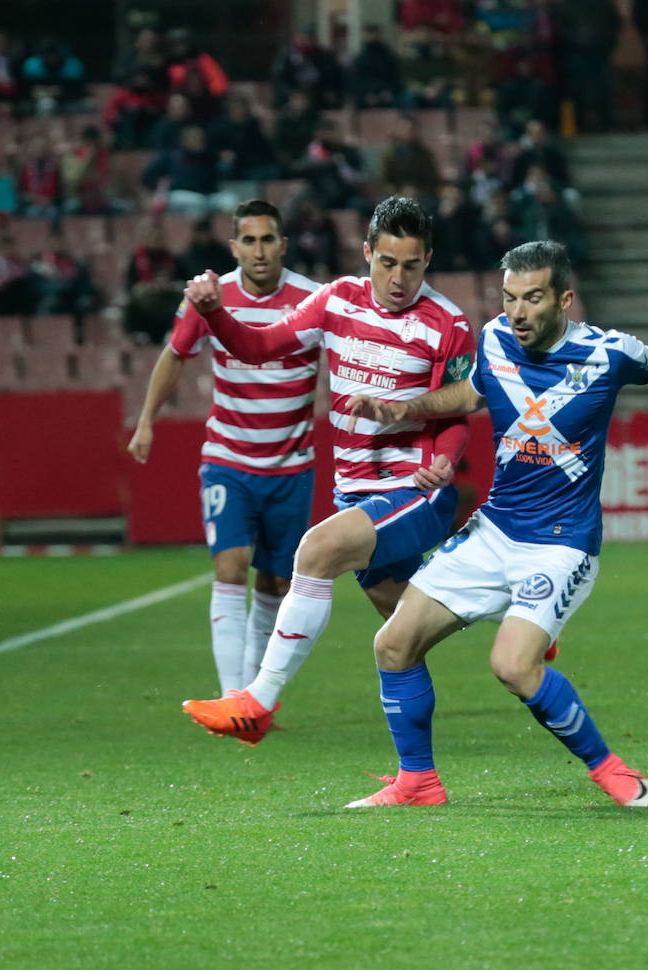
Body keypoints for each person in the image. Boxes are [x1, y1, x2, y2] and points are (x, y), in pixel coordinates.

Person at [331, 240, 648, 808]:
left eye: (531, 299)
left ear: (564, 299)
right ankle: (418, 783)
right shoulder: (495, 337)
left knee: (512, 665)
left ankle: (610, 771)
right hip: (495, 530)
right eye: (509, 298)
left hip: (560, 544)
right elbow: (473, 390)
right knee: (394, 643)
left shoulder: (608, 353)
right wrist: (406, 408)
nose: (517, 312)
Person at [177, 197, 476, 745]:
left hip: (415, 491)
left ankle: (256, 702)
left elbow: (456, 416)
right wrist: (215, 311)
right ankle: (515, 607)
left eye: (411, 265)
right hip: (356, 495)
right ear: (367, 253)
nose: (397, 278)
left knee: (314, 553)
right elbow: (260, 347)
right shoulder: (336, 300)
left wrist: (443, 460)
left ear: (427, 260)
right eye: (387, 262)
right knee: (406, 631)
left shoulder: (448, 323)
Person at [128, 200, 323, 698]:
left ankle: (255, 695)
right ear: (234, 246)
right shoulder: (211, 297)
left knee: (276, 585)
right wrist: (147, 420)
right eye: (249, 241)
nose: (259, 251)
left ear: (283, 244)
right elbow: (175, 356)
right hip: (229, 460)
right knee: (230, 566)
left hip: (291, 467)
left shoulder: (313, 299)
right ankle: (232, 697)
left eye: (268, 240)